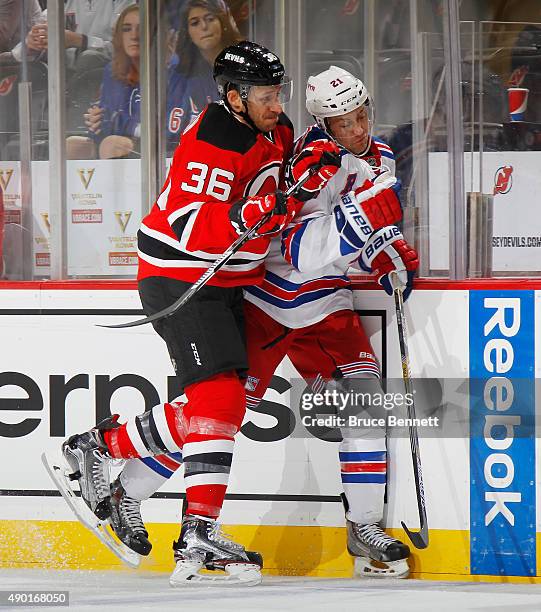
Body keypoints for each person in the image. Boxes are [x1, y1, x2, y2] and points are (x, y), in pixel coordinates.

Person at [87, 66, 418, 579]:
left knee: (366, 402)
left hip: (327, 305)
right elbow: (292, 245)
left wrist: (388, 252)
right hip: (267, 302)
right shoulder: (308, 160)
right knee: (217, 411)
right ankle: (124, 485)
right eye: (342, 122)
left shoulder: (382, 157)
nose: (357, 130)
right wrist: (362, 228)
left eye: (362, 116)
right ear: (321, 124)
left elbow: (370, 227)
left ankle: (365, 526)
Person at [55, 41, 339, 587]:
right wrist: (243, 214)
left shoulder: (273, 130)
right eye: (265, 94)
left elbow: (274, 192)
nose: (276, 104)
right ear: (234, 96)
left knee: (226, 407)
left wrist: (300, 174)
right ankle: (190, 521)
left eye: (278, 92)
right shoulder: (212, 142)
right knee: (221, 400)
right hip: (184, 279)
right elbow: (187, 223)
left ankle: (116, 470)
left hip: (235, 284)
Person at [66, 4, 140, 160]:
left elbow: (169, 129)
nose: (134, 35)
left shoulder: (167, 70)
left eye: (141, 28)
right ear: (119, 35)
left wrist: (116, 122)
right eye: (127, 29)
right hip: (115, 142)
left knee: (111, 144)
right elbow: (106, 122)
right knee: (72, 146)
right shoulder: (112, 71)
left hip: (152, 144)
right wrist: (96, 122)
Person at [166, 0, 242, 152]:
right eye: (195, 23)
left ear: (223, 22)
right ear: (187, 32)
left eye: (210, 19)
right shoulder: (180, 74)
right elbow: (170, 135)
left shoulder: (243, 66)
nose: (204, 27)